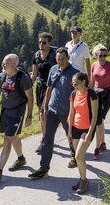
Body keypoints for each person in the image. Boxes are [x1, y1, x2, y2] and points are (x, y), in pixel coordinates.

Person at [29, 47, 77, 180]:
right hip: (52, 110)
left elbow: (79, 95)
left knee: (71, 137)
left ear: (67, 58)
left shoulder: (75, 73)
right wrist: (44, 106)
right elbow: (49, 88)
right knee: (47, 139)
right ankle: (44, 169)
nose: (60, 62)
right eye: (58, 59)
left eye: (62, 59)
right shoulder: (53, 69)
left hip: (68, 112)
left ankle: (75, 156)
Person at [0, 53, 34, 183]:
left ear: (14, 64)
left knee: (7, 138)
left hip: (17, 112)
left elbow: (30, 97)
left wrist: (29, 115)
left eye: (5, 63)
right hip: (5, 112)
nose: (3, 65)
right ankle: (21, 158)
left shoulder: (22, 78)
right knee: (13, 137)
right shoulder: (2, 76)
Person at [67, 72, 100, 194]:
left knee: (78, 156)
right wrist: (69, 130)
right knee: (79, 157)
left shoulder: (91, 94)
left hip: (87, 129)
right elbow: (71, 113)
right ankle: (82, 179)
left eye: (76, 83)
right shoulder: (73, 94)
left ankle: (84, 180)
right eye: (73, 83)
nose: (74, 85)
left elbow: (95, 116)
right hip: (75, 128)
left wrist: (90, 132)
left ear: (83, 82)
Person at [30, 32, 57, 150]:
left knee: (51, 114)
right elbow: (34, 73)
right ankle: (45, 139)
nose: (41, 44)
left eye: (44, 42)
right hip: (41, 88)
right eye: (40, 42)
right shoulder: (36, 55)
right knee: (42, 114)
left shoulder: (55, 55)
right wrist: (28, 85)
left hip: (53, 88)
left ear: (49, 43)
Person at [90, 44, 110, 159]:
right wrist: (88, 94)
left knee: (99, 121)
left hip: (107, 94)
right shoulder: (93, 65)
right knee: (99, 120)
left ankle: (97, 148)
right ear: (96, 55)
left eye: (105, 55)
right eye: (100, 55)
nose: (103, 57)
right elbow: (91, 81)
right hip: (96, 94)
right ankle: (103, 142)